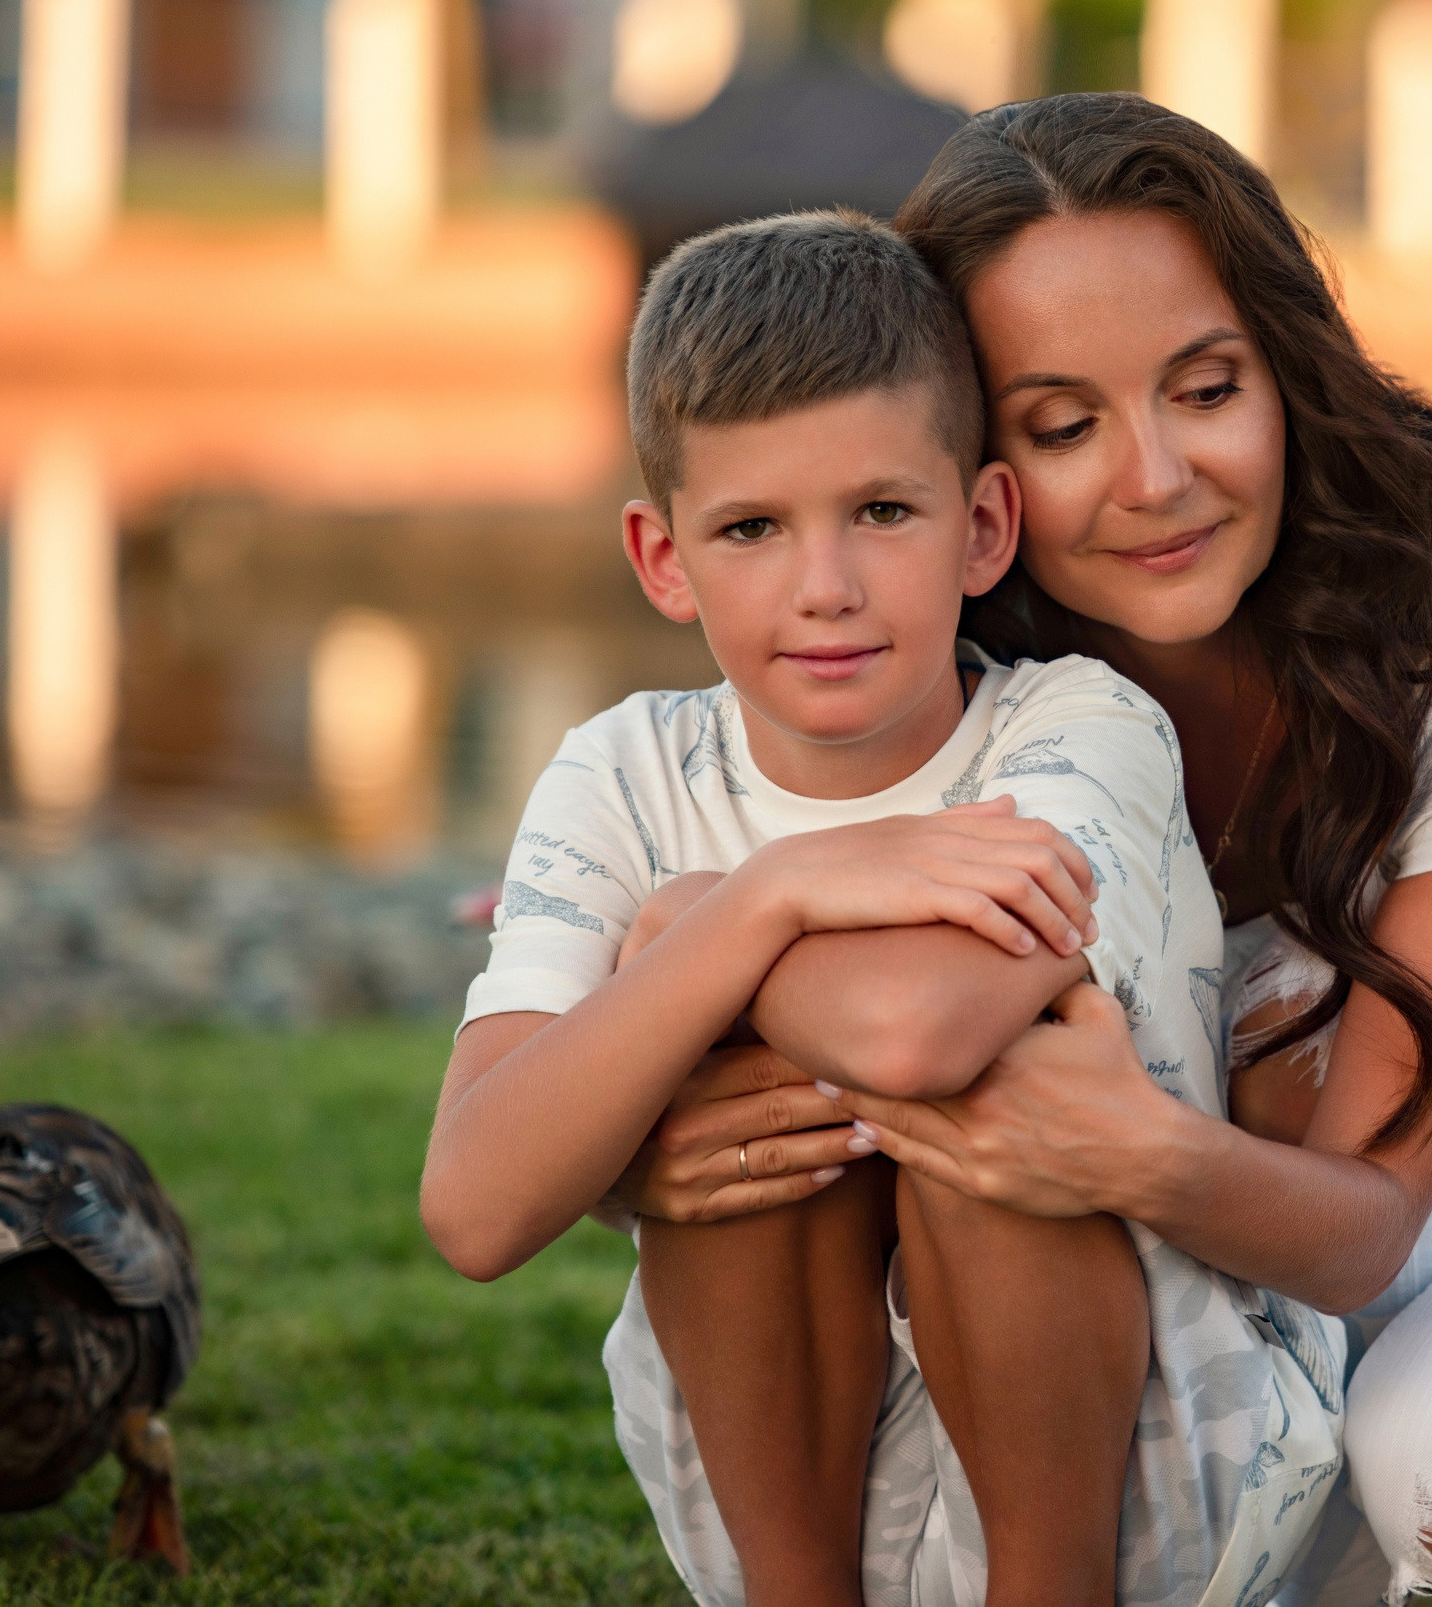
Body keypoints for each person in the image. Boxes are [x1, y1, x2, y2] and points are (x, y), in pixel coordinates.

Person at [607, 96, 1432, 1607]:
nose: (1156, 477)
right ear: (974, 471)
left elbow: (1358, 1222)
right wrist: (652, 1107)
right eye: (1063, 426)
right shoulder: (985, 652)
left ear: (1285, 371)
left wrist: (1130, 1145)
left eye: (1204, 389)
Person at [418, 209, 1344, 1607]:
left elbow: (919, 1034)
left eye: (883, 512)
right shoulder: (624, 772)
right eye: (750, 528)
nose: (827, 588)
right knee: (735, 1105)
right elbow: (476, 1208)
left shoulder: (1080, 726)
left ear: (982, 526)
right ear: (663, 558)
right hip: (799, 1482)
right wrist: (765, 897)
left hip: (1143, 1468)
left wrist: (686, 939)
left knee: (987, 1096)